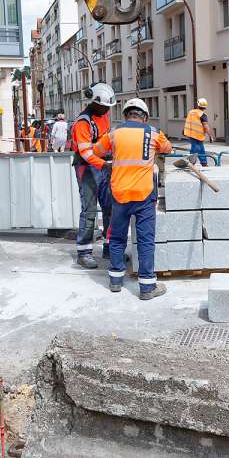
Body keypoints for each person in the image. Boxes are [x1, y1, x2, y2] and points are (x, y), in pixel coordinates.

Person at [94, 98, 173, 300]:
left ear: (126, 115)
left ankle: (115, 280)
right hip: (144, 195)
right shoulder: (152, 133)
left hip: (119, 194)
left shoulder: (114, 133)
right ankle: (147, 287)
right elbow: (168, 148)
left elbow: (97, 151)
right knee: (145, 240)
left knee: (117, 237)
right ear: (144, 116)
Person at [69, 83, 115, 268]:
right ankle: (84, 252)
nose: (106, 110)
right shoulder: (83, 123)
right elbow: (86, 153)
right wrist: (105, 165)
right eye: (103, 106)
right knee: (89, 210)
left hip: (101, 166)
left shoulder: (103, 115)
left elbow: (106, 139)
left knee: (110, 207)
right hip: (86, 167)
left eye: (108, 107)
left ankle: (110, 247)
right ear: (94, 102)